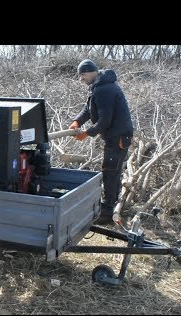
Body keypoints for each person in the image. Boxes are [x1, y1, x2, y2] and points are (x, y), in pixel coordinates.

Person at [69, 59, 134, 225]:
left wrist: (86, 133)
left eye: (82, 74)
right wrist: (78, 121)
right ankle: (111, 205)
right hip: (116, 136)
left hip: (117, 138)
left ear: (92, 71)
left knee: (110, 172)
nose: (81, 78)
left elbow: (105, 120)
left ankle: (107, 211)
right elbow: (89, 109)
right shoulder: (99, 86)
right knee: (113, 171)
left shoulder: (105, 89)